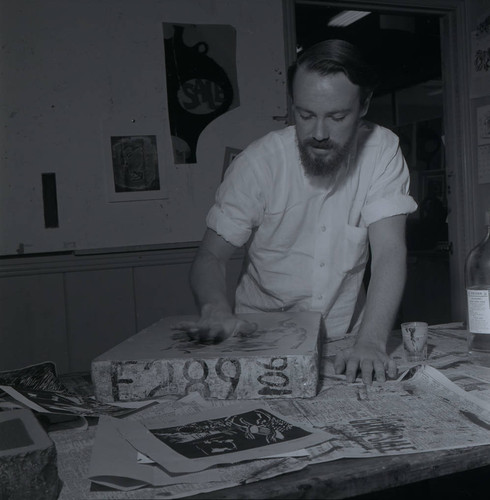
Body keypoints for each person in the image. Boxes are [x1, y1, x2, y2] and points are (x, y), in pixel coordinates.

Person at [178, 39, 417, 384]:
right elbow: (210, 257)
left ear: (363, 106)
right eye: (306, 115)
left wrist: (371, 342)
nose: (319, 133)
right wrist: (215, 308)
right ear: (293, 105)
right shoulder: (258, 164)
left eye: (337, 117)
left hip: (350, 340)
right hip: (261, 341)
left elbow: (390, 251)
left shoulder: (382, 151)